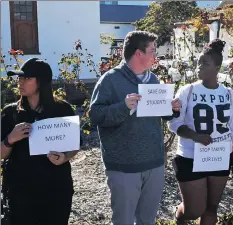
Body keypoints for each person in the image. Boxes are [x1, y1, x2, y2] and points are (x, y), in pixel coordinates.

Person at [89, 31, 181, 225]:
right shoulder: (109, 80)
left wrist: (171, 109)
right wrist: (123, 107)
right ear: (138, 53)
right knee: (123, 221)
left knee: (147, 221)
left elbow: (159, 114)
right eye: (152, 51)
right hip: (123, 166)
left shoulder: (153, 80)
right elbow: (95, 115)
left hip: (154, 164)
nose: (156, 56)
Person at [168, 39, 233, 225]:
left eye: (205, 63)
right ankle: (179, 216)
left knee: (211, 208)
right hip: (190, 156)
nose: (199, 66)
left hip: (219, 155)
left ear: (217, 67)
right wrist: (196, 136)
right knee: (194, 210)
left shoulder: (229, 94)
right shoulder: (188, 90)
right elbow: (174, 123)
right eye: (199, 62)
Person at [1, 58, 80, 225]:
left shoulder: (63, 110)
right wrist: (11, 139)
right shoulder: (11, 113)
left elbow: (75, 145)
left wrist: (64, 158)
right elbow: (2, 154)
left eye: (27, 78)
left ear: (41, 83)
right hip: (21, 192)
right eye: (19, 79)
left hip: (56, 189)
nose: (20, 83)